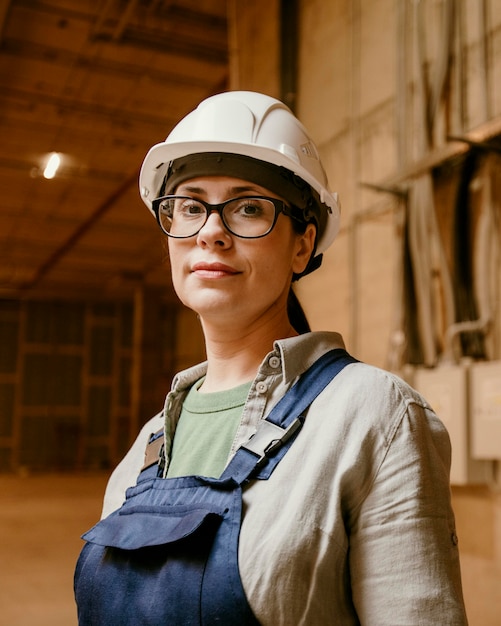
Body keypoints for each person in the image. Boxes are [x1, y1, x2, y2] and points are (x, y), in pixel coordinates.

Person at [74, 91, 468, 625]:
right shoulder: (144, 451)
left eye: (248, 208)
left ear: (302, 246)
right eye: (190, 206)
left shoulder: (374, 415)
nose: (210, 231)